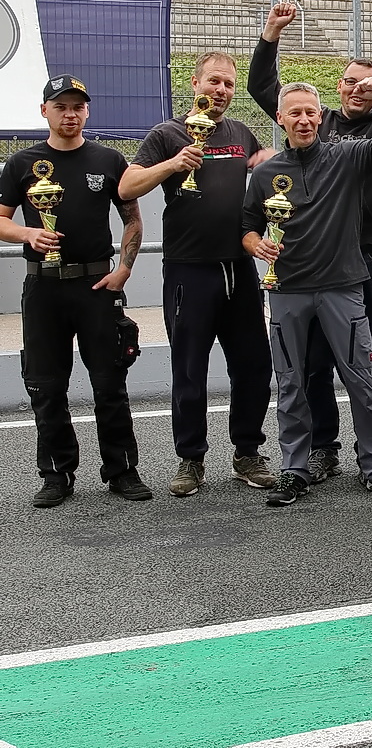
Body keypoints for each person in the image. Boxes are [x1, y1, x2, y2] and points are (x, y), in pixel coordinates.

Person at [249, 2, 372, 483]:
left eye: (368, 84)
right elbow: (266, 90)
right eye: (351, 81)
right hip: (299, 271)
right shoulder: (312, 129)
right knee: (308, 367)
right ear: (337, 87)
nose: (359, 89)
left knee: (368, 362)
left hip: (363, 259)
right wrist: (271, 34)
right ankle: (318, 451)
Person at [241, 80, 372, 507]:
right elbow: (247, 227)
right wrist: (256, 245)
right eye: (294, 113)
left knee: (361, 380)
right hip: (287, 291)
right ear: (280, 118)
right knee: (291, 383)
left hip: (342, 287)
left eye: (310, 112)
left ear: (320, 117)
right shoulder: (264, 174)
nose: (303, 120)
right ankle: (294, 469)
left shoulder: (346, 156)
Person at [121, 52, 278, 496]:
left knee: (253, 366)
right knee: (190, 369)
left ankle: (247, 452)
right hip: (189, 270)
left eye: (228, 84)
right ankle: (190, 458)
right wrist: (172, 165)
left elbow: (264, 165)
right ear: (195, 84)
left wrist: (268, 161)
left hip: (239, 268)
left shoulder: (240, 133)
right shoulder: (167, 133)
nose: (221, 90)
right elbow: (127, 186)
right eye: (214, 81)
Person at [0, 75, 149, 507]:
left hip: (97, 286)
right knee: (46, 386)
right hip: (43, 288)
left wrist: (124, 269)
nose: (70, 114)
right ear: (44, 111)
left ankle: (122, 470)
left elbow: (133, 219)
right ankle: (56, 474)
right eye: (61, 106)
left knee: (109, 383)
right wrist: (28, 233)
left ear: (87, 111)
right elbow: (1, 219)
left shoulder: (109, 159)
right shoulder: (22, 163)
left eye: (77, 107)